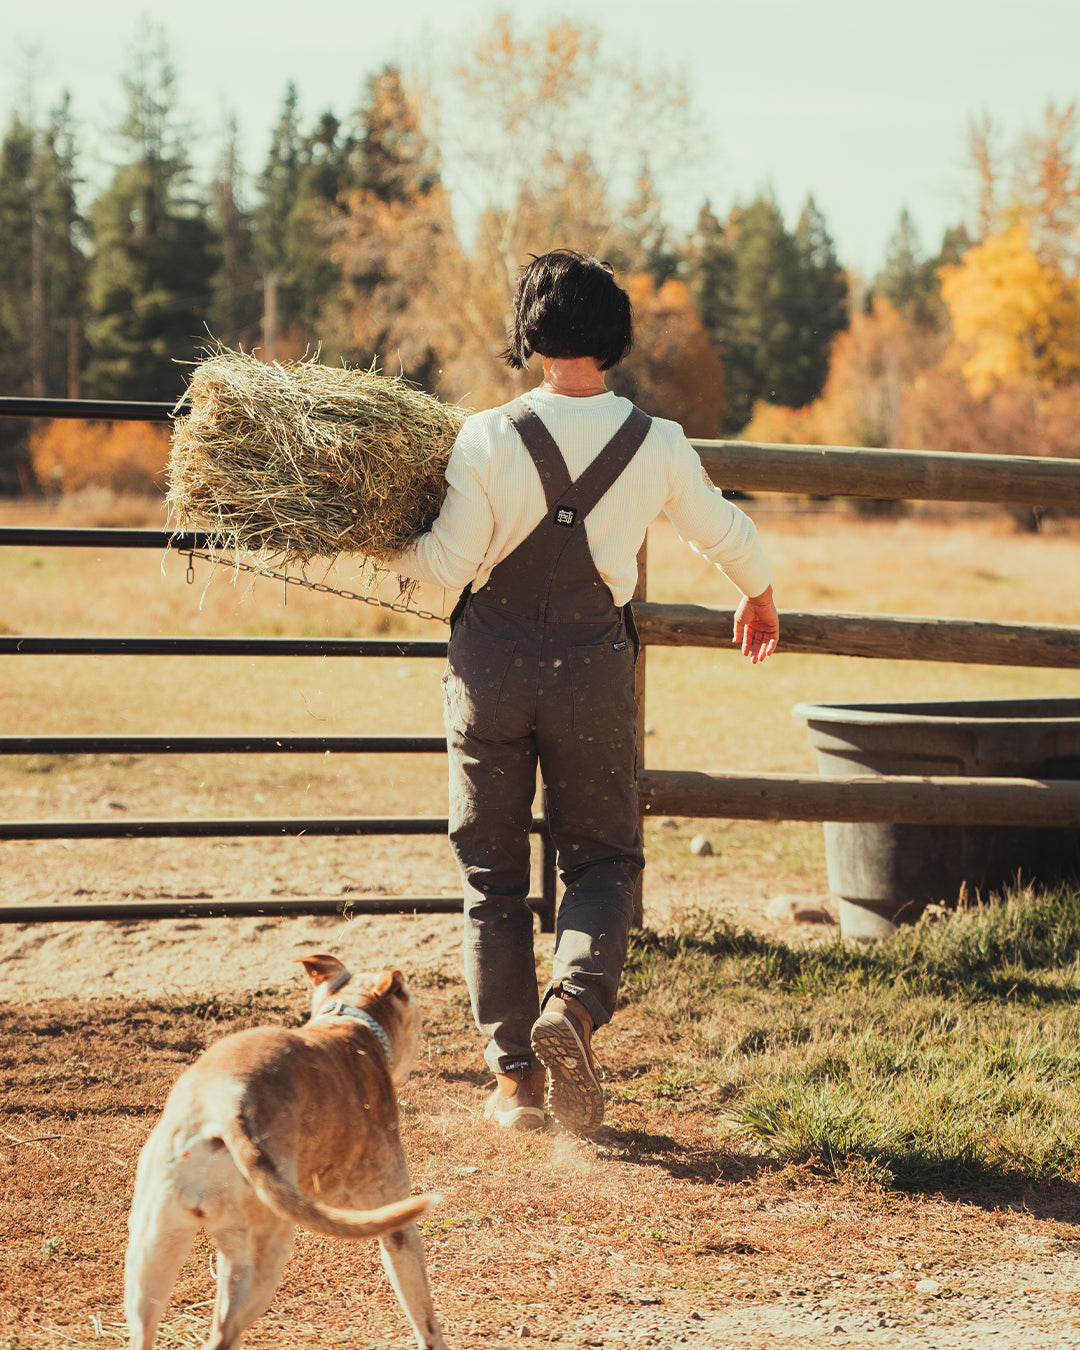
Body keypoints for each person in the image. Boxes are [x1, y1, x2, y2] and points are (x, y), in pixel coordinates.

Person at [389, 249, 779, 1134]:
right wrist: (756, 591)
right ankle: (577, 1005)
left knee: (491, 874)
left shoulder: (487, 435)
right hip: (593, 672)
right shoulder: (657, 442)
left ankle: (516, 1082)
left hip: (489, 670)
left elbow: (447, 564)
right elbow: (724, 531)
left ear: (529, 333)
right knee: (602, 860)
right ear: (615, 336)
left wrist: (374, 543)